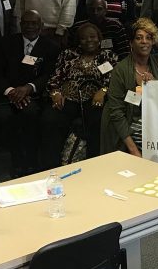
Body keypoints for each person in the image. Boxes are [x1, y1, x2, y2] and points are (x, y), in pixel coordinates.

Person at [0, 10, 61, 176]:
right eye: (26, 23)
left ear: (41, 26)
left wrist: (28, 88)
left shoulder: (51, 47)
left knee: (31, 115)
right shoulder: (5, 44)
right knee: (4, 117)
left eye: (34, 23)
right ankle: (16, 161)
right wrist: (11, 92)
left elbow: (49, 75)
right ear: (20, 25)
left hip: (34, 96)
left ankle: (31, 161)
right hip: (7, 95)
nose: (30, 27)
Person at [42, 22, 117, 168]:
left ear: (99, 38)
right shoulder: (68, 55)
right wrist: (55, 92)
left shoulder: (108, 56)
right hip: (67, 98)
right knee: (49, 119)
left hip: (93, 100)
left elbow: (113, 80)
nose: (89, 40)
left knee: (97, 121)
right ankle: (51, 167)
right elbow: (55, 78)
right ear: (79, 41)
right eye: (84, 38)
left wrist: (103, 91)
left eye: (92, 37)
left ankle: (94, 165)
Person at [101, 18, 158, 157]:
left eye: (148, 38)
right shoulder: (121, 70)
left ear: (153, 41)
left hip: (157, 123)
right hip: (129, 125)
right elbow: (116, 113)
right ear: (131, 43)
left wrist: (155, 85)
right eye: (139, 38)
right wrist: (134, 151)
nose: (144, 41)